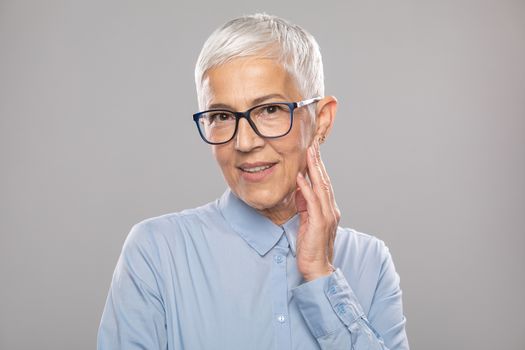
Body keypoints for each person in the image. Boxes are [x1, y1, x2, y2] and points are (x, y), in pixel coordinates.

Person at [98, 13, 409, 350]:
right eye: (221, 116)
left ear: (321, 121)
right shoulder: (156, 252)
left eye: (270, 110)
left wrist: (321, 276)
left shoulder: (370, 261)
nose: (244, 143)